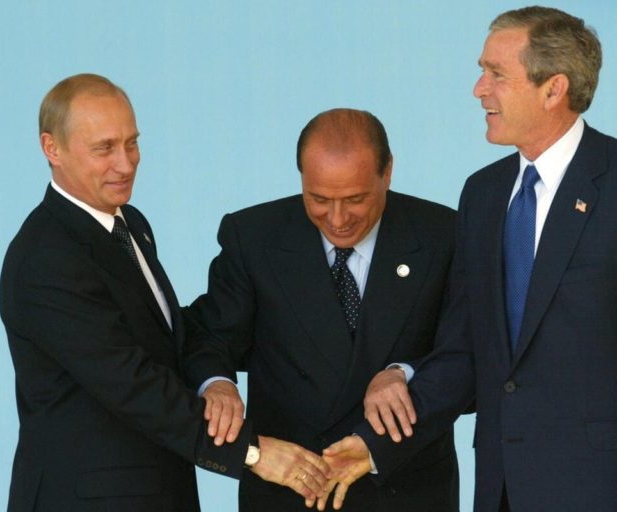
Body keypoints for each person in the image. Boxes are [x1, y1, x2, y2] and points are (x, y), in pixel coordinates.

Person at [323, 7, 617, 512]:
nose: (479, 89)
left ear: (553, 89)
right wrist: (377, 443)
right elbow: (466, 348)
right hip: (502, 491)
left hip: (610, 493)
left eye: (496, 74)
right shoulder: (483, 194)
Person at [0, 73, 329, 512]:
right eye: (104, 148)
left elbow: (164, 336)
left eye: (131, 143)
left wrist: (215, 379)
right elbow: (132, 383)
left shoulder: (129, 224)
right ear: (51, 148)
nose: (126, 164)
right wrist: (253, 453)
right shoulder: (46, 259)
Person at [184, 108, 459, 511]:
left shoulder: (443, 235)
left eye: (355, 199)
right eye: (318, 199)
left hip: (407, 490)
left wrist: (405, 372)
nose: (337, 219)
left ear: (388, 172)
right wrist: (217, 384)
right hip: (289, 492)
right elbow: (210, 335)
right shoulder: (254, 236)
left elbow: (469, 355)